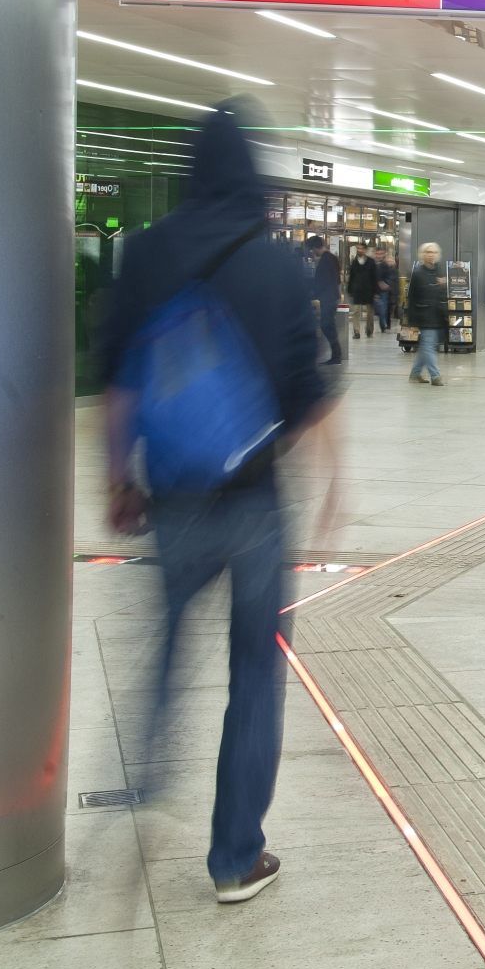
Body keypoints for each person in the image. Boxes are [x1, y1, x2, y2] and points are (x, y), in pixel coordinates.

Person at [98, 101, 338, 905]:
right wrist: (323, 470)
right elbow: (307, 389)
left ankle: (141, 785)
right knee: (255, 670)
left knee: (164, 643)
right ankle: (236, 855)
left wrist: (117, 478)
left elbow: (117, 380)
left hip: (170, 495)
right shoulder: (278, 262)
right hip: (256, 499)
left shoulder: (144, 254)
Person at [405, 241, 448, 386]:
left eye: (434, 252)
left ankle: (415, 373)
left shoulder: (440, 272)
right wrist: (411, 321)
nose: (431, 255)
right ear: (423, 255)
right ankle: (435, 376)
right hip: (424, 316)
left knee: (426, 346)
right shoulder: (417, 273)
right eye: (428, 252)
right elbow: (411, 297)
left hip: (438, 315)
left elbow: (442, 295)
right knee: (429, 346)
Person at [304, 234, 343, 365]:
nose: (312, 252)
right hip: (331, 296)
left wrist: (313, 293)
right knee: (327, 325)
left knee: (327, 325)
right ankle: (336, 355)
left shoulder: (326, 260)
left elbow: (323, 280)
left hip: (328, 297)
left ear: (316, 247)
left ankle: (336, 355)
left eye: (312, 249)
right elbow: (336, 279)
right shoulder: (331, 258)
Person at [346, 245, 379, 340]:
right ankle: (356, 332)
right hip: (357, 291)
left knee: (369, 313)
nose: (359, 250)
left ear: (365, 250)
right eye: (358, 249)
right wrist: (349, 290)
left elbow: (374, 278)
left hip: (368, 291)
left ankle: (369, 329)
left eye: (361, 248)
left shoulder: (371, 262)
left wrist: (376, 291)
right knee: (356, 311)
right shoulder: (354, 262)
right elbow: (351, 277)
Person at [375, 246, 396, 333]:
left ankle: (383, 325)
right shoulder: (373, 264)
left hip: (383, 291)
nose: (379, 256)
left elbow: (390, 276)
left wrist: (386, 284)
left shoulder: (385, 265)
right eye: (378, 254)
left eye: (381, 254)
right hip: (375, 290)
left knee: (383, 308)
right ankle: (383, 324)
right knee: (379, 309)